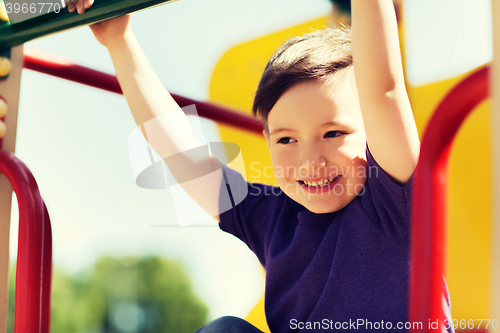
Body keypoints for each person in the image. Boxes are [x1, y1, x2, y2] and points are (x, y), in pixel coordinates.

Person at [72, 0, 454, 331]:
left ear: (372, 133)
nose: (310, 161)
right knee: (226, 330)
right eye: (287, 139)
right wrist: (120, 44)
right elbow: (181, 153)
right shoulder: (272, 218)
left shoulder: (393, 198)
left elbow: (383, 89)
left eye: (333, 133)